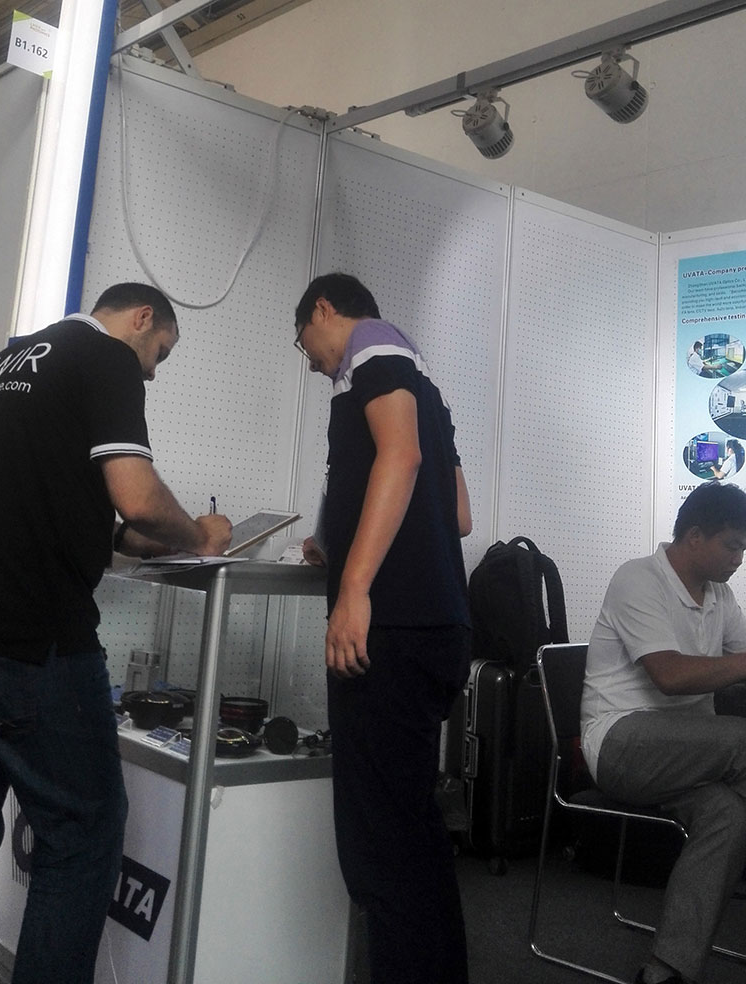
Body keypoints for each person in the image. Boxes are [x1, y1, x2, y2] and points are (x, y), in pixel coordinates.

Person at [0, 283, 232, 984]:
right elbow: (137, 495)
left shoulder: (4, 365)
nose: (152, 371)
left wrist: (151, 539)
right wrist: (200, 535)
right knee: (83, 835)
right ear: (141, 319)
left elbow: (68, 514)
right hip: (36, 639)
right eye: (160, 352)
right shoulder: (105, 356)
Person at [293, 272, 473, 984]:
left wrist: (355, 586)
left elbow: (400, 456)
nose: (311, 362)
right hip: (434, 624)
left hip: (390, 628)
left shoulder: (372, 346)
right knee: (410, 832)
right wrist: (336, 541)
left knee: (380, 851)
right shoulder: (421, 381)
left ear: (323, 310)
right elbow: (457, 515)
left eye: (304, 342)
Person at [581, 482, 746, 984]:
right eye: (732, 546)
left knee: (730, 814)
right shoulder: (638, 578)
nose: (739, 559)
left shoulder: (720, 595)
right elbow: (670, 676)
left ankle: (665, 971)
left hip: (688, 755)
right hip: (621, 743)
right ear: (694, 536)